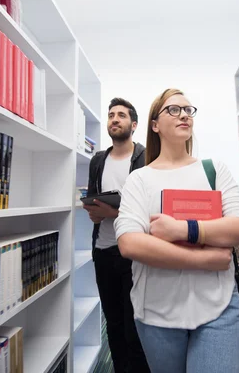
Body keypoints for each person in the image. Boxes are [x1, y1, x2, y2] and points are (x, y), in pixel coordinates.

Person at [114, 88, 239, 373]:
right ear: (155, 125)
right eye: (174, 110)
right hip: (156, 312)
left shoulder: (214, 170)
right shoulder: (139, 179)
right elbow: (130, 243)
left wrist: (181, 229)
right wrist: (204, 259)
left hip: (219, 305)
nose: (184, 115)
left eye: (189, 110)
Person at [84, 97, 149, 373]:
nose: (114, 119)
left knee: (134, 323)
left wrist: (113, 214)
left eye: (121, 115)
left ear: (133, 124)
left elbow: (149, 206)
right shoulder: (98, 159)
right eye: (111, 115)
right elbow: (92, 196)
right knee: (113, 322)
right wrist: (93, 210)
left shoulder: (145, 157)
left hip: (133, 252)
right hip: (103, 251)